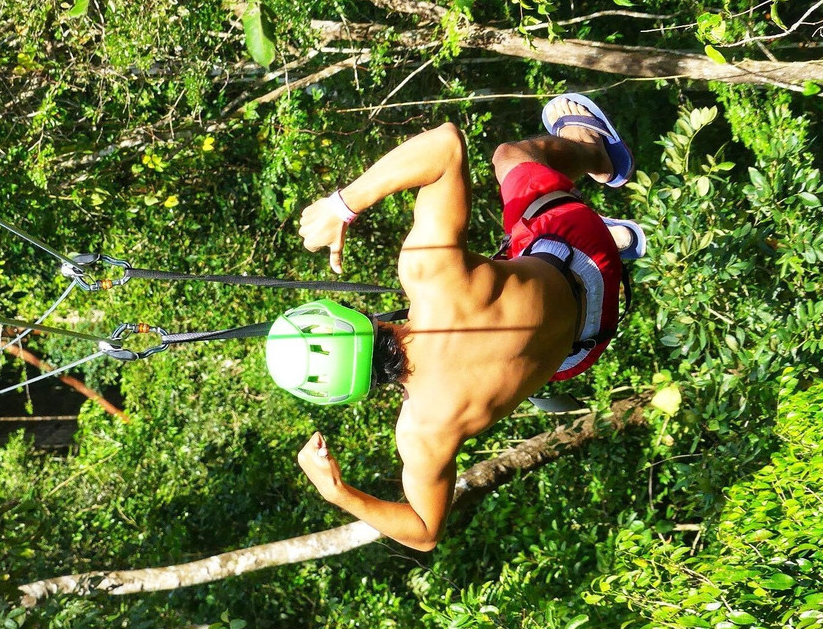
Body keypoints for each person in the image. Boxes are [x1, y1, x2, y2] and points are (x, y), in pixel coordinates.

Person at [273, 93, 645, 551]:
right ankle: (596, 153)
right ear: (350, 317)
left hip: (585, 343)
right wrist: (342, 206)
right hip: (581, 254)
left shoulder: (424, 431)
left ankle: (615, 240)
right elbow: (446, 145)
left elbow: (424, 534)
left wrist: (338, 492)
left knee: (508, 274)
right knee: (511, 158)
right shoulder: (429, 276)